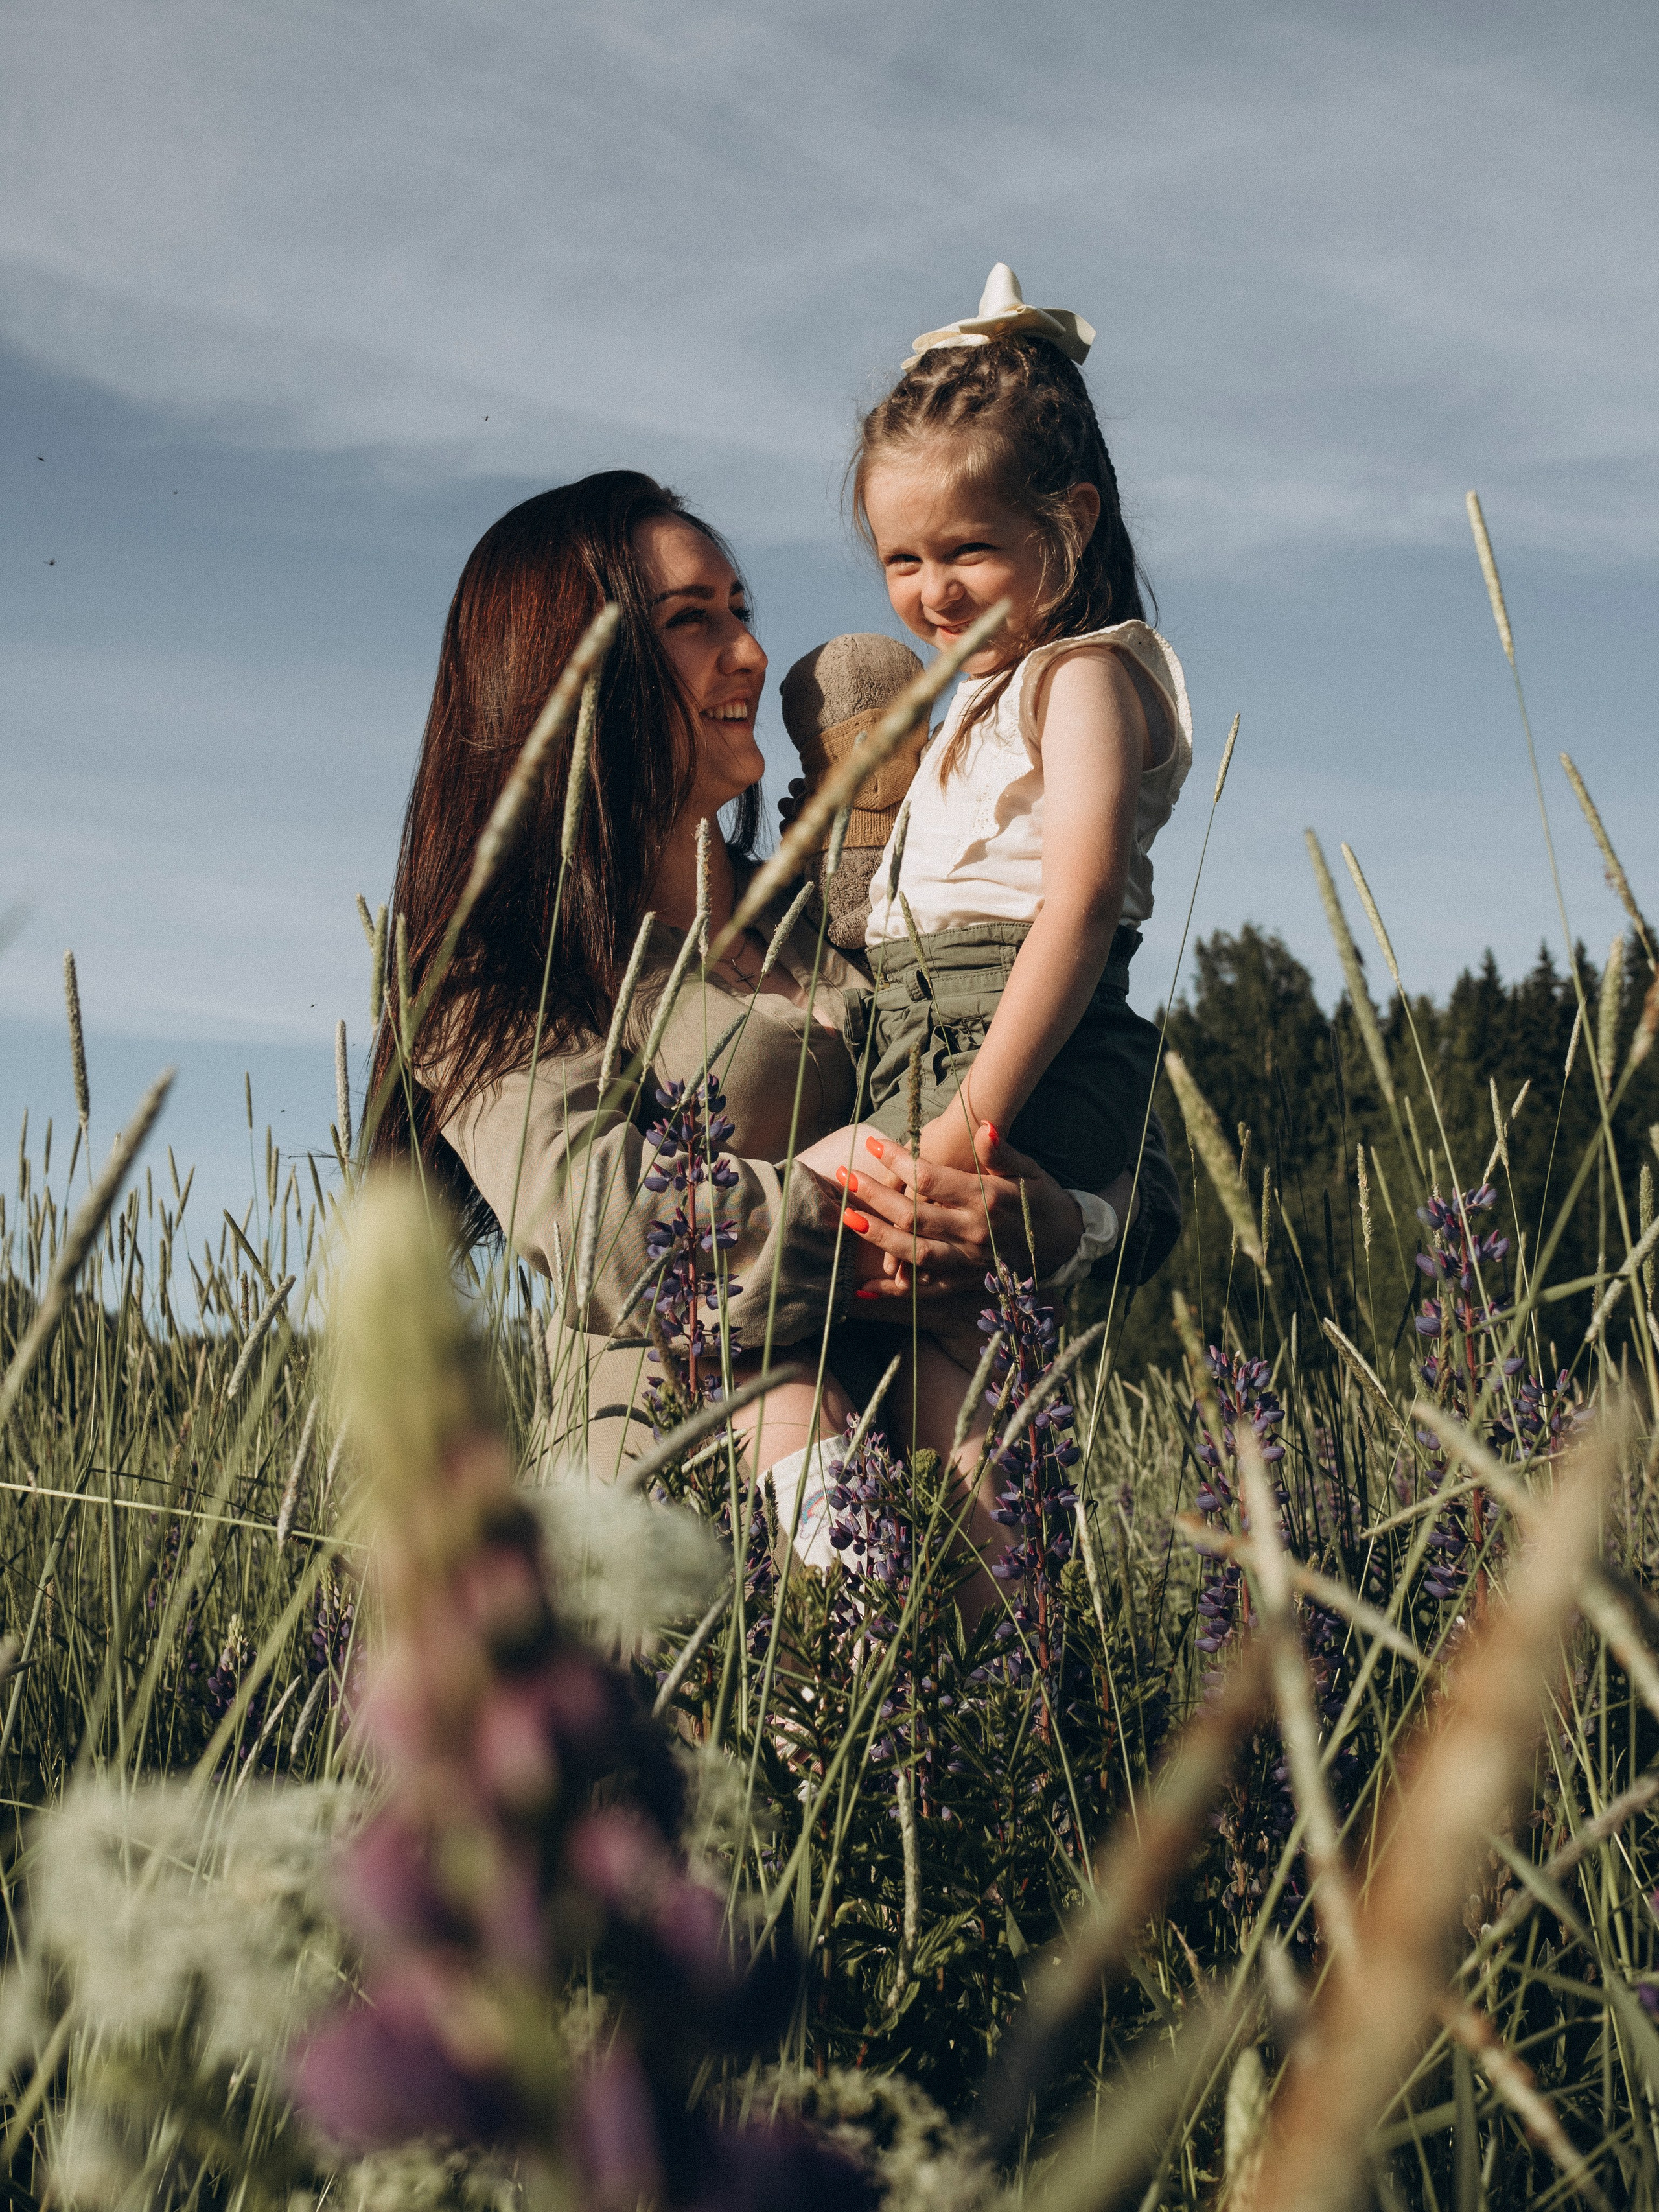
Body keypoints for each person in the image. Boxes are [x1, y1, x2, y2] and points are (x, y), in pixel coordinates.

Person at [367, 469, 1181, 1607]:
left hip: (942, 1493)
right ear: (571, 673)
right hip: (683, 1540)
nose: (748, 653)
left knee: (1007, 1684)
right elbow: (611, 1230)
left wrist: (1057, 1224)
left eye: (741, 610)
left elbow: (1127, 1147)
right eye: (692, 621)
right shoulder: (494, 964)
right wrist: (873, 1211)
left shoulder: (845, 914)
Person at [820, 264, 1193, 1389]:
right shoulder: (979, 691)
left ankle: (973, 1518)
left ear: (1069, 523)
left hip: (1014, 1049)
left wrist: (967, 1126)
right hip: (931, 1034)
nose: (933, 590)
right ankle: (924, 1505)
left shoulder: (1082, 677)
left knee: (945, 1335)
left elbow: (1077, 908)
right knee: (914, 1345)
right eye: (903, 559)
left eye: (967, 551)